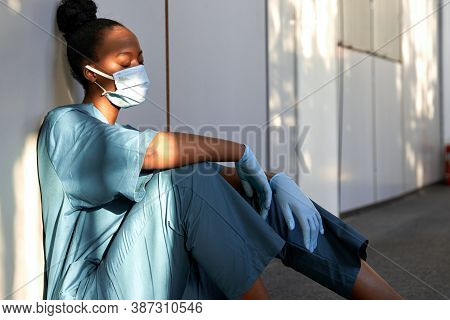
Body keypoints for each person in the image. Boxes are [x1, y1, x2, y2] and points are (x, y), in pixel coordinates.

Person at [37, 0, 402, 300]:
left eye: (140, 59)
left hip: (160, 277)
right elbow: (155, 155)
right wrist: (239, 152)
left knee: (266, 195)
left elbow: (198, 173)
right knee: (180, 179)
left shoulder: (124, 133)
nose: (137, 69)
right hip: (94, 295)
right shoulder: (67, 125)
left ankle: (392, 306)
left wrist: (272, 179)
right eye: (124, 62)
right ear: (90, 71)